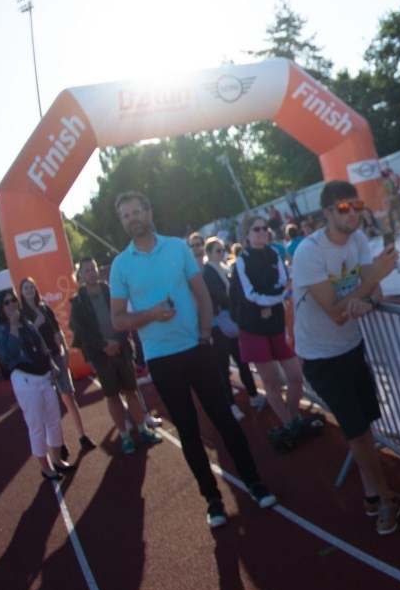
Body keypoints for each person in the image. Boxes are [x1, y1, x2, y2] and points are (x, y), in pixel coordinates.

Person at [109, 191, 277, 527]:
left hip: (196, 348)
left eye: (136, 212)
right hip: (161, 358)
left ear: (148, 212)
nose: (132, 219)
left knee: (224, 419)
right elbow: (118, 320)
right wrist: (150, 315)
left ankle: (254, 482)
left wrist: (203, 336)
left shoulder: (176, 247)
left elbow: (201, 294)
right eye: (125, 216)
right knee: (187, 430)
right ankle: (212, 500)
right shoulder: (120, 265)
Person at [291, 180, 400, 535]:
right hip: (320, 356)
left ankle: (372, 497)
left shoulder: (358, 239)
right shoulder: (308, 252)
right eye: (344, 208)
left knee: (365, 426)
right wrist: (372, 279)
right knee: (358, 433)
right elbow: (335, 311)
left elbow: (373, 293)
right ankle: (387, 499)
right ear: (327, 213)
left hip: (351, 346)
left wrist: (368, 297)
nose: (353, 213)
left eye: (357, 205)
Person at [233, 217, 322, 453]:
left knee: (295, 376)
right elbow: (249, 294)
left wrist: (270, 300)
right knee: (270, 380)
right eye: (257, 229)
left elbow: (285, 284)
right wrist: (272, 299)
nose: (263, 232)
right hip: (252, 327)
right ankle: (289, 424)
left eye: (266, 228)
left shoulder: (274, 254)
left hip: (275, 322)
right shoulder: (241, 261)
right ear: (247, 235)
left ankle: (294, 418)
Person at [68, 257, 163, 454]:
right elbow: (83, 332)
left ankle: (142, 430)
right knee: (112, 397)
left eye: (93, 268)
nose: (91, 273)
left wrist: (118, 341)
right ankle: (125, 436)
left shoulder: (110, 291)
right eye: (86, 270)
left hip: (121, 349)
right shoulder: (77, 302)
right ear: (81, 276)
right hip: (101, 356)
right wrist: (104, 345)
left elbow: (124, 317)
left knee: (131, 391)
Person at [0, 290, 76, 482]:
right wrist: (13, 326)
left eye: (13, 300)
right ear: (1, 308)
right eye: (7, 303)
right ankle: (45, 467)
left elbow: (41, 345)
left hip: (44, 377)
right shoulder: (1, 330)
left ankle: (57, 459)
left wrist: (51, 363)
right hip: (25, 380)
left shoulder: (27, 323)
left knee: (54, 419)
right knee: (37, 425)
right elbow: (11, 353)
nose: (12, 304)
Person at [19, 277, 93, 460]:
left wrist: (65, 350)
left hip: (56, 357)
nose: (29, 291)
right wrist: (37, 323)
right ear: (21, 292)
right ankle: (59, 444)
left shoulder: (44, 307)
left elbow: (57, 330)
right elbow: (27, 338)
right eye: (25, 288)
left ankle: (82, 435)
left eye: (31, 287)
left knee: (69, 397)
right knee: (50, 407)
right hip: (41, 363)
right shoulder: (23, 315)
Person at [193, 234, 251, 422]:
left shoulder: (223, 268)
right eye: (218, 250)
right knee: (223, 366)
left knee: (241, 359)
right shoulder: (208, 273)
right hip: (218, 324)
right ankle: (231, 404)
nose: (222, 253)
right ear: (209, 253)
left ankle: (253, 394)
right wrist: (236, 302)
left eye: (223, 250)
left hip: (229, 321)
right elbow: (221, 297)